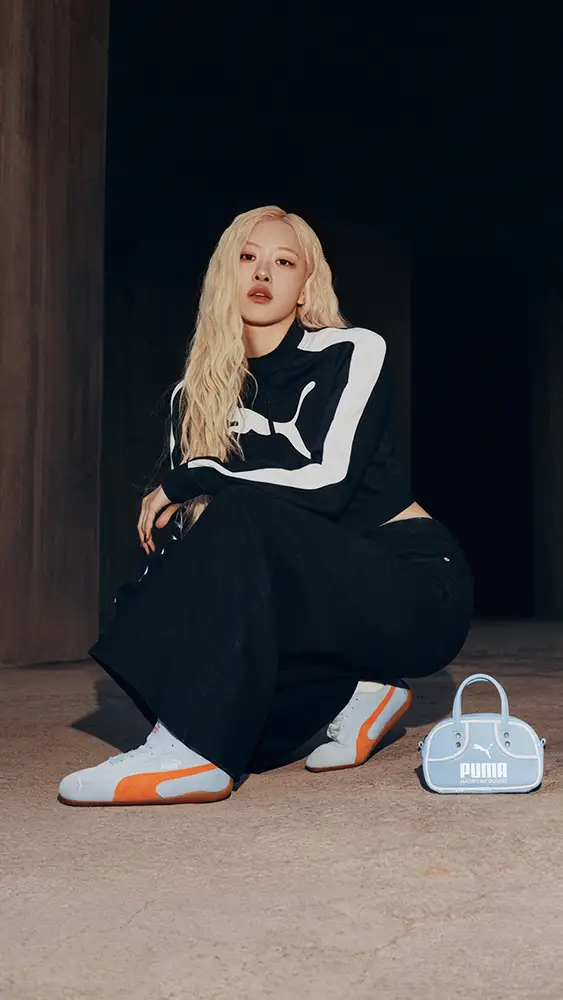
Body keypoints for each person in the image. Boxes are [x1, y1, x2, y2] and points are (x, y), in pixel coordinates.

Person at [58, 205, 474, 806]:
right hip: (320, 614)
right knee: (161, 615)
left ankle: (194, 752)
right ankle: (359, 690)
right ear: (225, 276)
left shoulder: (351, 351)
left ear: (305, 287)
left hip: (413, 587)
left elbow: (329, 485)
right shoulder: (195, 396)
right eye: (248, 257)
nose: (263, 272)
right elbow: (207, 550)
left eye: (284, 262)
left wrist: (198, 474)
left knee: (243, 509)